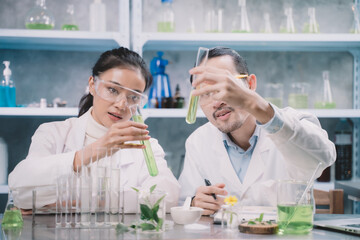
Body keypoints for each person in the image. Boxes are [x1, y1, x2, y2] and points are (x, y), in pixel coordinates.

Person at [9, 47, 180, 212]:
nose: (121, 105)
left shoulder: (146, 146)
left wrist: (89, 202)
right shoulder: (53, 133)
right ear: (92, 85)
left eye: (133, 97)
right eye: (112, 90)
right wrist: (93, 151)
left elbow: (168, 197)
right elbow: (20, 191)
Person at [178, 47, 336, 215]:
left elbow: (325, 157)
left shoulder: (294, 121)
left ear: (251, 84)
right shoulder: (198, 141)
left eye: (224, 87)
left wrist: (257, 106)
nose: (216, 102)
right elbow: (183, 203)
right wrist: (195, 202)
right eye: (206, 92)